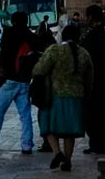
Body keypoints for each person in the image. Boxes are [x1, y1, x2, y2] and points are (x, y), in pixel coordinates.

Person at [0, 11, 43, 155]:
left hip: (8, 79)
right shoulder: (31, 36)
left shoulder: (9, 33)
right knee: (25, 114)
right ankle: (27, 145)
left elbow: (3, 53)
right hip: (25, 79)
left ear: (13, 21)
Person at [33, 24, 92, 172]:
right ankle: (68, 160)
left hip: (55, 96)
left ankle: (57, 152)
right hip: (76, 97)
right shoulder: (84, 53)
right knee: (69, 132)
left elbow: (39, 69)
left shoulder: (55, 50)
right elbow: (90, 78)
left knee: (48, 126)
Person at [82, 5, 105, 155]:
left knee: (92, 112)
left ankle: (96, 142)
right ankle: (104, 143)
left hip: (93, 79)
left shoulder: (91, 36)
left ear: (91, 17)